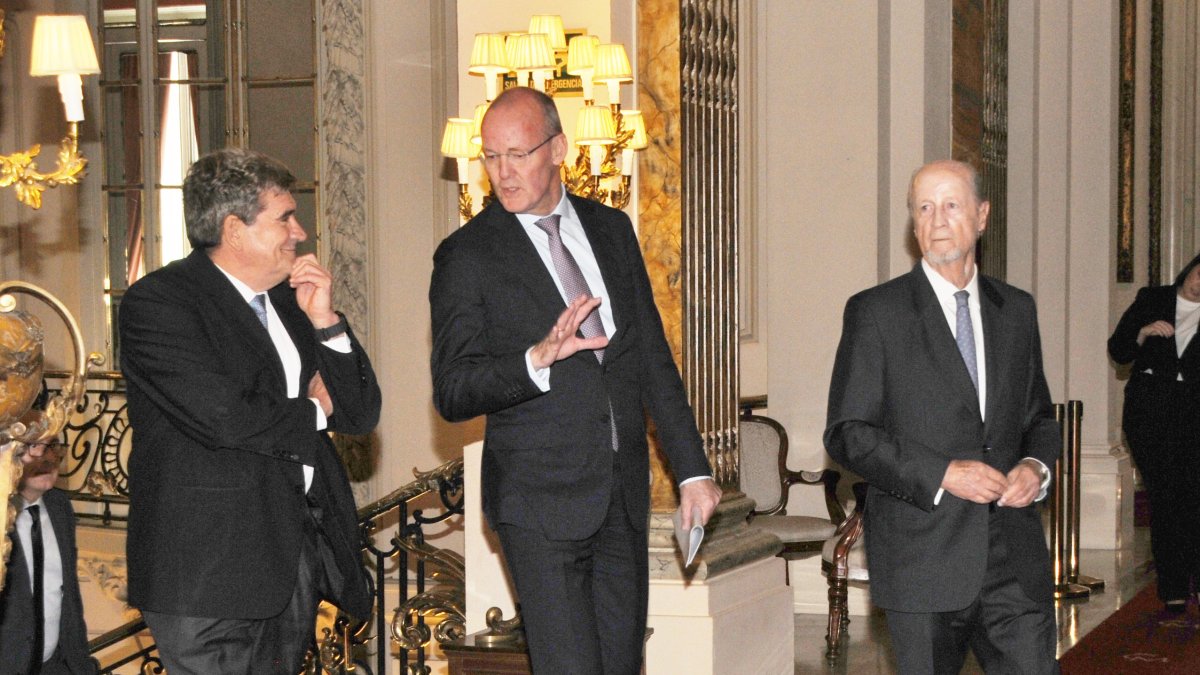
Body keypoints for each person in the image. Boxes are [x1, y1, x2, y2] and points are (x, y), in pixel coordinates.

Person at [429, 86, 722, 675]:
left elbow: (651, 362)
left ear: (559, 148)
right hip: (538, 506)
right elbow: (453, 390)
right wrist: (535, 359)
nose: (502, 172)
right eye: (490, 156)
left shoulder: (611, 229)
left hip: (620, 500)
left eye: (518, 154)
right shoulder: (468, 255)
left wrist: (692, 470)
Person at [119, 148, 381, 673]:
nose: (299, 232)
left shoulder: (293, 301)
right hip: (204, 572)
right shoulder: (160, 303)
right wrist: (313, 410)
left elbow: (359, 411)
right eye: (284, 217)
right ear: (235, 229)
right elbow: (225, 415)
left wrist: (327, 321)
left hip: (288, 567)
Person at [824, 159, 1061, 674]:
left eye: (951, 205)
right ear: (913, 224)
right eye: (924, 208)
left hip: (1014, 562)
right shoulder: (876, 312)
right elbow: (848, 433)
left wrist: (1034, 468)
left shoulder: (1016, 310)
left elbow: (1039, 416)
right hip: (922, 560)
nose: (937, 220)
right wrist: (944, 473)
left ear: (981, 216)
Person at [1108, 251, 1200, 612]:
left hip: (1192, 410)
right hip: (1149, 409)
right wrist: (1144, 332)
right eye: (1198, 274)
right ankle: (1173, 586)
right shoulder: (1153, 299)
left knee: (1192, 495)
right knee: (1164, 496)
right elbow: (1119, 350)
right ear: (1189, 269)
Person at [0, 438, 97, 675]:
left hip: (56, 666)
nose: (46, 458)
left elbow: (69, 596)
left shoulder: (59, 507)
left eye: (52, 447)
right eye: (32, 446)